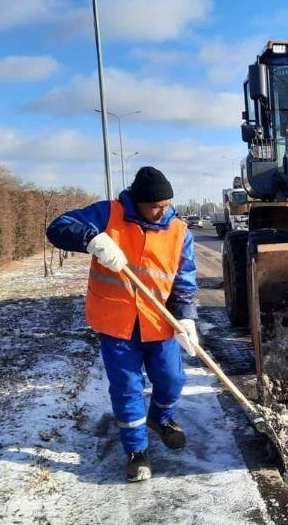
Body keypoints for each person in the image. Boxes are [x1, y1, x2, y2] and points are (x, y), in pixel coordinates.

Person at [46, 166, 200, 481]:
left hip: (159, 321)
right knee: (128, 388)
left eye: (167, 204)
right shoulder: (108, 214)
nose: (163, 211)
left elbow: (183, 281)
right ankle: (136, 451)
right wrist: (92, 239)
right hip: (117, 323)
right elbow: (58, 227)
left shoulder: (180, 231)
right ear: (138, 202)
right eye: (156, 206)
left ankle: (161, 418)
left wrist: (186, 317)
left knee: (172, 379)